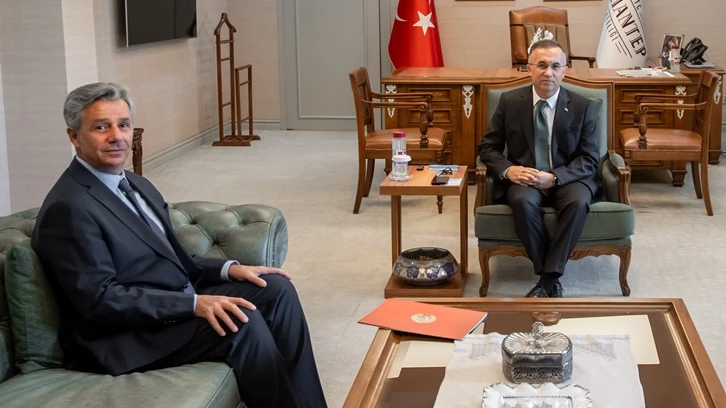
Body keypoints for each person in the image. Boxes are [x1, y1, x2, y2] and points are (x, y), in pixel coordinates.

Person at [30, 82, 327, 408]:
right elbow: (100, 300)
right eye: (102, 127)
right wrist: (193, 304)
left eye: (124, 125)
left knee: (275, 289)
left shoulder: (136, 184)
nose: (117, 136)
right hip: (126, 335)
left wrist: (230, 269)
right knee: (240, 322)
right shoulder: (69, 207)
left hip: (170, 301)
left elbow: (172, 255)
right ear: (74, 136)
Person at [477, 40, 600, 298]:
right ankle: (550, 278)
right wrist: (509, 170)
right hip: (526, 178)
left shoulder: (582, 106)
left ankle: (547, 281)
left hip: (568, 178)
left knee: (578, 203)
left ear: (565, 70)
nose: (548, 73)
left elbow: (590, 159)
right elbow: (487, 148)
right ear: (529, 69)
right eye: (542, 65)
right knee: (522, 201)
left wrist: (555, 178)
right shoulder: (510, 102)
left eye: (555, 66)